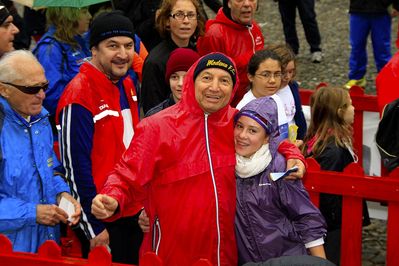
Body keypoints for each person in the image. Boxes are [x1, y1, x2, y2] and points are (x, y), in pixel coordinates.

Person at [91, 52, 307, 266]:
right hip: (171, 253)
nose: (214, 87)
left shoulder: (236, 122)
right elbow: (126, 174)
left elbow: (271, 140)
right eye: (206, 78)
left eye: (224, 80)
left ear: (233, 88)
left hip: (226, 252)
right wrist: (113, 197)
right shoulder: (157, 127)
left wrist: (294, 154)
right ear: (192, 82)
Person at [55, 11, 142, 264]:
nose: (123, 54)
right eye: (112, 46)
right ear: (94, 49)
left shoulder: (126, 83)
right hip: (102, 219)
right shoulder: (79, 96)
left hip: (131, 208)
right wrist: (92, 228)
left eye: (128, 46)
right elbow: (75, 169)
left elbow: (133, 149)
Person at [0, 49, 81, 253]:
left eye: (44, 86)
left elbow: (49, 167)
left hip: (45, 246)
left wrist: (62, 193)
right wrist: (31, 213)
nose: (42, 95)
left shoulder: (40, 120)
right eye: (31, 89)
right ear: (3, 89)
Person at [234, 96, 327, 265]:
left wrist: (321, 262)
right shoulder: (227, 166)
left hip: (287, 259)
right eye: (239, 126)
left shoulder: (279, 167)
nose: (242, 135)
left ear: (268, 137)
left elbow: (306, 217)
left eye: (253, 130)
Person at [300, 85, 370, 265]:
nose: (354, 109)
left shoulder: (322, 139)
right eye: (351, 105)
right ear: (340, 112)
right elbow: (328, 196)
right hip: (332, 225)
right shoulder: (333, 150)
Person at [32, 6, 92, 135]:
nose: (90, 16)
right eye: (84, 11)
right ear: (68, 15)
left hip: (82, 119)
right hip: (65, 127)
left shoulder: (80, 41)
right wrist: (89, 97)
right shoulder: (51, 48)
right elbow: (50, 96)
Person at [141, 0, 205, 114]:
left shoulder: (197, 53)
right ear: (166, 21)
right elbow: (152, 111)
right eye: (179, 15)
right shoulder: (155, 62)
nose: (186, 21)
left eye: (191, 15)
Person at [196, 0, 264, 107]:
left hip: (256, 105)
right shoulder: (214, 35)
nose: (247, 4)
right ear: (229, 3)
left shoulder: (254, 27)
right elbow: (206, 84)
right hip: (231, 110)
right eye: (239, 0)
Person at [236, 49, 290, 143]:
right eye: (266, 75)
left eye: (277, 74)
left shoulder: (275, 98)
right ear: (251, 77)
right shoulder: (245, 109)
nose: (273, 80)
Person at [344, 0, 399, 89]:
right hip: (358, 8)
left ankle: (386, 79)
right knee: (357, 46)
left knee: (382, 48)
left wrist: (397, 5)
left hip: (382, 10)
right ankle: (357, 77)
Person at [267, 43, 307, 141]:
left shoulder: (293, 87)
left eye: (291, 71)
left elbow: (299, 117)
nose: (288, 77)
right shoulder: (265, 92)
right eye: (283, 72)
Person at [144, 47, 199, 117]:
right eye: (174, 77)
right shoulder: (154, 116)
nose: (180, 83)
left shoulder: (208, 113)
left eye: (187, 77)